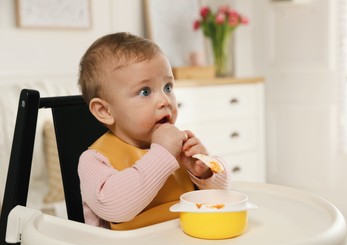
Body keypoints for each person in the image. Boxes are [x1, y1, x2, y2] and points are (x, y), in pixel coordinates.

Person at [77, 32, 231, 230]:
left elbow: (222, 195)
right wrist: (162, 155)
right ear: (105, 111)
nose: (165, 101)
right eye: (145, 92)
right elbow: (116, 208)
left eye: (168, 87)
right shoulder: (94, 160)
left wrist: (205, 172)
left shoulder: (180, 148)